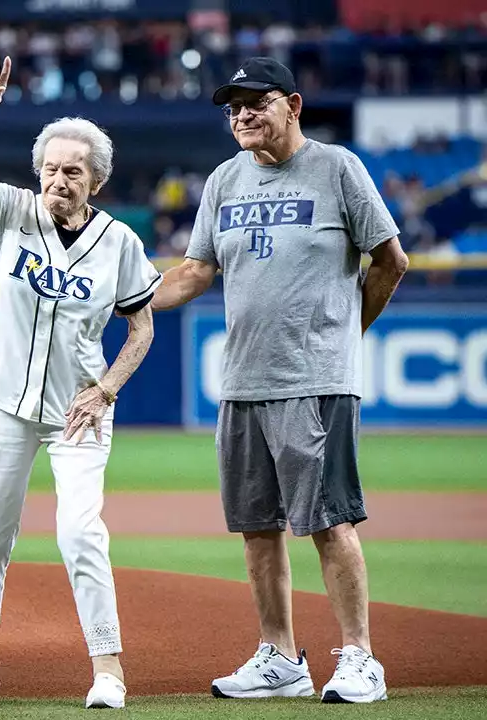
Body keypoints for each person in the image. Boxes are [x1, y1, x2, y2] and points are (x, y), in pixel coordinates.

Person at [150, 56, 408, 704]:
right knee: (257, 527)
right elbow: (194, 271)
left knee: (330, 521)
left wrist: (346, 336)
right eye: (232, 106)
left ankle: (359, 659)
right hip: (241, 381)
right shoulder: (222, 180)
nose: (240, 115)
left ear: (292, 105)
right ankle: (279, 658)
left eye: (254, 102)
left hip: (314, 380)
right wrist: (129, 299)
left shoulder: (336, 167)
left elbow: (391, 260)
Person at [0, 55, 162, 710]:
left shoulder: (121, 244)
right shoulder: (14, 212)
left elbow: (141, 328)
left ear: (97, 180)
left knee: (80, 533)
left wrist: (108, 387)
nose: (59, 179)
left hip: (77, 412)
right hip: (3, 400)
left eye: (73, 171)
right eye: (51, 168)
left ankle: (109, 671)